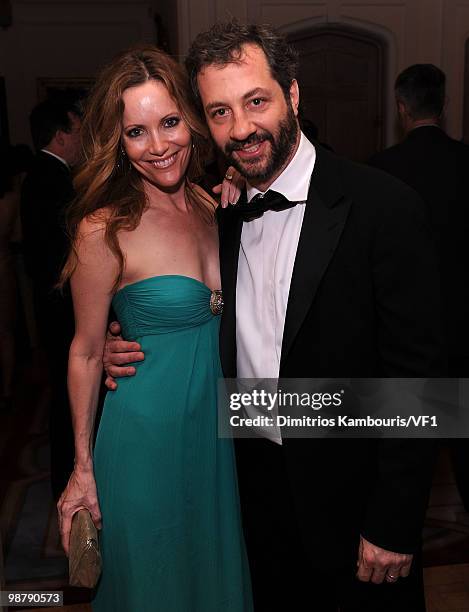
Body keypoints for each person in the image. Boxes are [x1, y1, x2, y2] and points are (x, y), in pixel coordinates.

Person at [104, 22, 444, 612]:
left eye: (255, 101)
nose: (241, 129)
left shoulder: (383, 206)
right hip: (246, 495)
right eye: (219, 112)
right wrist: (129, 342)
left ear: (292, 93)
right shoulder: (221, 213)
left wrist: (394, 519)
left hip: (354, 500)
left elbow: (418, 379)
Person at [56, 46, 252, 612]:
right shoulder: (103, 228)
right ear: (118, 141)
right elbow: (87, 351)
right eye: (137, 132)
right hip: (144, 443)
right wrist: (81, 469)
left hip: (218, 441)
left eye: (169, 123)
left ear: (191, 121)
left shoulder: (218, 208)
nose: (159, 145)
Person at [369, 64, 469, 512]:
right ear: (443, 106)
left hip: (404, 341)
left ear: (401, 107)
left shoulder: (379, 171)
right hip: (465, 329)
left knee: (406, 467)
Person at [20, 99, 81, 498]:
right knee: (68, 402)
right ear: (61, 136)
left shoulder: (39, 176)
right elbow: (63, 256)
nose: (81, 140)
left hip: (52, 307)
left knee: (65, 398)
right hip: (64, 310)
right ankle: (68, 481)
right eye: (77, 131)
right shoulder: (54, 181)